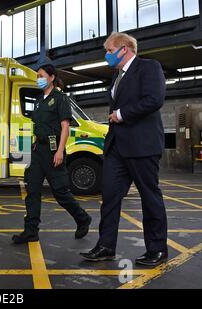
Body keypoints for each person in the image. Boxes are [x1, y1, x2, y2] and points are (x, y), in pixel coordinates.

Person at [80, 32, 168, 266]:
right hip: (117, 148)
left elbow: (155, 99)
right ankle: (106, 245)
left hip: (142, 145)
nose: (106, 55)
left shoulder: (149, 67)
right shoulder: (117, 77)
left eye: (109, 50)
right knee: (109, 197)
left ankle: (157, 249)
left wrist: (121, 114)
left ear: (124, 49)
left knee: (149, 197)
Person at [12, 64, 92, 244]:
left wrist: (59, 151)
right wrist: (35, 142)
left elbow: (65, 127)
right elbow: (39, 124)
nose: (38, 79)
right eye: (37, 76)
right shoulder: (39, 100)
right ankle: (31, 230)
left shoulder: (60, 98)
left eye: (41, 76)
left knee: (60, 192)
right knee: (32, 190)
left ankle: (82, 218)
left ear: (51, 77)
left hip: (52, 149)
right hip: (38, 150)